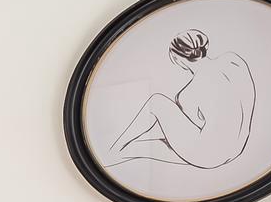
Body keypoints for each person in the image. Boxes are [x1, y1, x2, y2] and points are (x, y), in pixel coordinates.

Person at [107, 29, 254, 169]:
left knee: (156, 102)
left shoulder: (188, 94)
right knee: (141, 147)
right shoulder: (234, 61)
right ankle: (116, 152)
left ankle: (114, 148)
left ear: (176, 59)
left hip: (210, 156)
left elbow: (192, 128)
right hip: (238, 148)